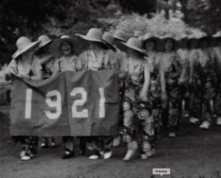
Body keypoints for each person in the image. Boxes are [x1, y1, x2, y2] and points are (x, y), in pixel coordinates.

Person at [76, 28, 117, 160]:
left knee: (105, 117)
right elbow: (78, 72)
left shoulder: (109, 53)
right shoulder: (84, 55)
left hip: (105, 90)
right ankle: (96, 149)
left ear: (99, 42)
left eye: (92, 41)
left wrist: (102, 73)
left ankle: (107, 145)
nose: (90, 43)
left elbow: (115, 72)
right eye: (89, 41)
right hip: (89, 90)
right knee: (92, 118)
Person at [4, 36, 42, 160]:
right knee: (19, 120)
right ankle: (24, 147)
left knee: (32, 121)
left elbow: (40, 78)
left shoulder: (35, 60)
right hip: (19, 97)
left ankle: (31, 147)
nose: (26, 52)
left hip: (32, 96)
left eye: (28, 49)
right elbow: (6, 77)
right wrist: (9, 74)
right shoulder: (14, 61)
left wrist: (25, 76)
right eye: (24, 50)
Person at [116, 37, 153, 160]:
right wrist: (113, 74)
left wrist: (144, 91)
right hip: (128, 96)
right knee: (128, 122)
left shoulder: (144, 62)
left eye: (131, 49)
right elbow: (122, 75)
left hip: (142, 96)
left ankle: (145, 149)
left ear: (136, 50)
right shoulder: (126, 61)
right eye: (128, 49)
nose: (129, 51)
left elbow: (147, 79)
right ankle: (130, 149)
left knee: (145, 123)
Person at [49, 35, 83, 159]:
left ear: (71, 47)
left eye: (67, 45)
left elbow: (82, 75)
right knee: (66, 121)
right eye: (63, 46)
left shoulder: (77, 59)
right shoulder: (58, 62)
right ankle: (68, 149)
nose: (66, 47)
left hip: (77, 94)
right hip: (63, 94)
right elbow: (53, 78)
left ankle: (82, 144)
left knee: (79, 119)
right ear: (61, 48)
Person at [189, 32, 221, 129]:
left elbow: (218, 65)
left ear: (207, 41)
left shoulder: (212, 51)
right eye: (201, 40)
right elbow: (192, 66)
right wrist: (191, 78)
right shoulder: (195, 52)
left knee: (207, 99)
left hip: (210, 79)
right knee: (198, 99)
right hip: (198, 78)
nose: (203, 42)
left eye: (205, 40)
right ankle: (198, 116)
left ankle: (206, 120)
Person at [159, 33, 186, 138]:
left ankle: (172, 127)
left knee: (174, 106)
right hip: (163, 82)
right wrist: (163, 90)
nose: (169, 44)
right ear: (164, 44)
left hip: (175, 84)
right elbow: (160, 73)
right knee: (164, 106)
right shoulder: (160, 55)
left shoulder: (176, 55)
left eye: (170, 42)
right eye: (167, 42)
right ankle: (165, 124)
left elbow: (184, 67)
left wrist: (182, 77)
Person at [34, 35, 57, 148]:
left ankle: (51, 137)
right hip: (40, 87)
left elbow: (55, 70)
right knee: (42, 112)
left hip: (51, 86)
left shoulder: (54, 57)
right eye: (44, 45)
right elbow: (38, 64)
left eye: (47, 44)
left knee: (50, 112)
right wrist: (50, 56)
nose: (46, 46)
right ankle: (44, 138)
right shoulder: (37, 57)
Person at [142, 33, 162, 139]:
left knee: (155, 108)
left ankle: (154, 131)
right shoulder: (140, 54)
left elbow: (161, 74)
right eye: (147, 42)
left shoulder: (158, 56)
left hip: (154, 86)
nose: (149, 44)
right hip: (142, 85)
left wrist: (163, 90)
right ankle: (145, 131)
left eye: (151, 42)